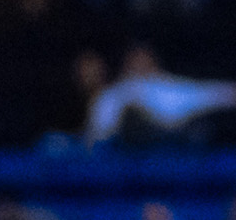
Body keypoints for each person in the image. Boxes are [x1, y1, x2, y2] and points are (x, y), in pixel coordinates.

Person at [86, 44, 236, 146]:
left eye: (144, 59)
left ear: (154, 62)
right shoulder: (113, 95)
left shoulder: (170, 87)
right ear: (126, 65)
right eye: (135, 60)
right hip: (124, 158)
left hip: (172, 150)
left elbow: (216, 93)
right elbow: (98, 136)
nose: (140, 64)